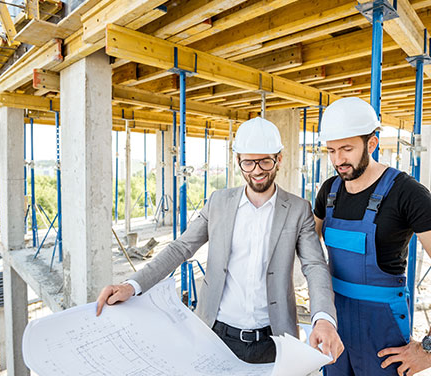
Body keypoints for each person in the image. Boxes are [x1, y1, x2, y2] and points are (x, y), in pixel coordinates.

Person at [96, 117, 344, 364]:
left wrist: (323, 318)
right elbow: (181, 248)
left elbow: (314, 265)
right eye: (248, 162)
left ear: (278, 159)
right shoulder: (218, 203)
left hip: (274, 340)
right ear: (238, 162)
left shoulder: (298, 209)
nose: (257, 170)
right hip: (215, 334)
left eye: (265, 161)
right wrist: (132, 285)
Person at [314, 98, 431, 376]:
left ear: (371, 144)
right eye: (332, 150)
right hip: (335, 321)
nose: (338, 160)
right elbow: (308, 249)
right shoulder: (329, 191)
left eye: (347, 149)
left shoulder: (407, 193)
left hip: (382, 329)